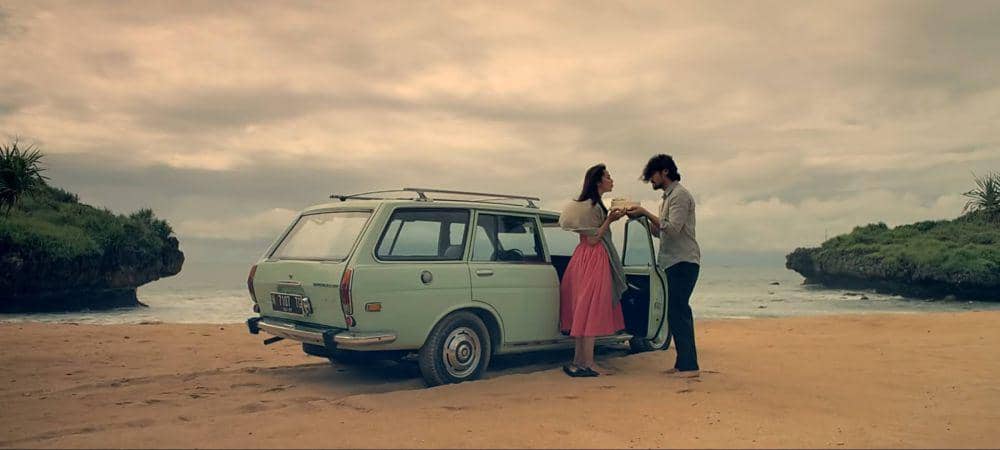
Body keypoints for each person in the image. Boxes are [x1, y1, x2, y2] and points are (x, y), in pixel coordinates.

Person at [627, 154, 702, 377]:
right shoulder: (667, 199)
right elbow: (662, 232)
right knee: (674, 312)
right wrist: (640, 219)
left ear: (665, 172)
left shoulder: (680, 195)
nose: (651, 180)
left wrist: (645, 212)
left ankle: (689, 366)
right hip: (672, 261)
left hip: (683, 261)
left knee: (679, 310)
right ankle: (683, 363)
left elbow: (673, 228)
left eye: (653, 175)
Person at [558, 163, 628, 377]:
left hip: (582, 258)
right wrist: (610, 220)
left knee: (583, 309)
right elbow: (594, 238)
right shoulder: (593, 206)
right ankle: (587, 363)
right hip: (594, 257)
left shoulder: (589, 205)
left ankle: (579, 361)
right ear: (598, 181)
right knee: (591, 309)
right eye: (608, 177)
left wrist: (609, 219)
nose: (611, 180)